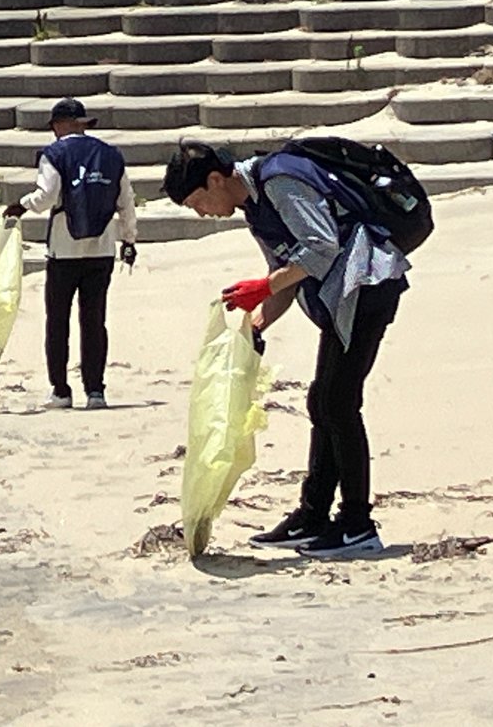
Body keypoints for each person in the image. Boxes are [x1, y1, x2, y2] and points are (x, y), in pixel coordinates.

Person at [161, 140, 410, 559]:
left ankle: (357, 526)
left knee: (338, 404)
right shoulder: (255, 206)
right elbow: (286, 272)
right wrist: (258, 322)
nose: (202, 212)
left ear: (216, 180)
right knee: (324, 402)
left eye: (198, 201)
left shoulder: (278, 181)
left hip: (367, 285)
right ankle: (313, 517)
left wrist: (264, 288)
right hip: (343, 296)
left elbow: (321, 246)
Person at [3, 98, 137, 410]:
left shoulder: (55, 154)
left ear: (62, 125)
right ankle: (95, 391)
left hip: (64, 249)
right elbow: (126, 201)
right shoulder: (111, 154)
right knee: (94, 320)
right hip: (102, 249)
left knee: (57, 321)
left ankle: (61, 391)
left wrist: (21, 205)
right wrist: (128, 240)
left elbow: (47, 195)